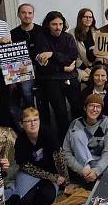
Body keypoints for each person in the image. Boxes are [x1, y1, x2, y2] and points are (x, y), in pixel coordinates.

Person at [34, 11, 83, 139]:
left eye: (60, 24)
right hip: (51, 78)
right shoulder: (41, 38)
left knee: (77, 107)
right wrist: (62, 67)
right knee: (60, 111)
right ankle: (64, 139)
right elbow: (42, 64)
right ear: (48, 25)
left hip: (70, 76)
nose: (58, 27)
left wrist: (52, 54)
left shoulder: (68, 37)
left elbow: (72, 57)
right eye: (54, 24)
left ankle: (80, 136)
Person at [7, 108, 67, 205]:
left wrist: (65, 181)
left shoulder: (48, 133)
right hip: (30, 173)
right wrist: (52, 177)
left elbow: (60, 157)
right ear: (21, 124)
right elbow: (26, 167)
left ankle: (31, 191)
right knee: (22, 202)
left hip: (50, 172)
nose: (33, 123)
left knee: (47, 199)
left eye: (35, 120)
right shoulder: (20, 141)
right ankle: (13, 190)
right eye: (28, 121)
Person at [63, 94, 108, 185]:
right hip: (82, 164)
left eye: (98, 107)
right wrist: (81, 170)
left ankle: (91, 180)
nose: (95, 109)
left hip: (97, 160)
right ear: (85, 108)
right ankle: (89, 177)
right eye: (91, 105)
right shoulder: (76, 124)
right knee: (77, 134)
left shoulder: (106, 122)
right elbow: (66, 152)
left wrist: (97, 171)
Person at [10, 3, 42, 115]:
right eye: (23, 13)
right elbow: (11, 56)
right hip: (22, 67)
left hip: (41, 66)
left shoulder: (41, 31)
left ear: (33, 15)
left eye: (30, 13)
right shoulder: (13, 33)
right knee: (26, 91)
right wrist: (12, 78)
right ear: (18, 14)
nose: (27, 15)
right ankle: (31, 114)